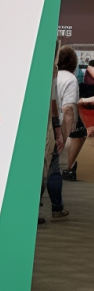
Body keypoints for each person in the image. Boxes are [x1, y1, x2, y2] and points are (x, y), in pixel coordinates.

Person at [56, 46, 85, 187]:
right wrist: (63, 134)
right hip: (60, 122)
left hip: (48, 122)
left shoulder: (50, 75)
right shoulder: (71, 79)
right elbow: (68, 109)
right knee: (54, 169)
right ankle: (67, 167)